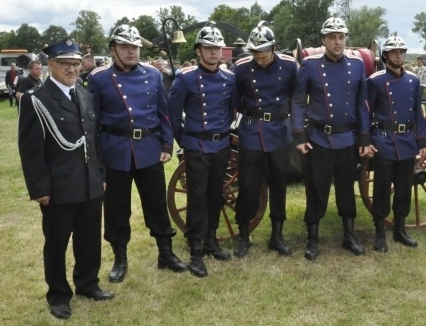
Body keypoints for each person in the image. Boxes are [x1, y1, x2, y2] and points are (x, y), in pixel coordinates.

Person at [17, 38, 112, 320]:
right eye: (66, 64)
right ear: (51, 65)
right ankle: (58, 295)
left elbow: (94, 141)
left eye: (76, 64)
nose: (72, 69)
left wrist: (101, 175)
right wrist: (39, 189)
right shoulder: (37, 100)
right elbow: (30, 150)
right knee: (57, 243)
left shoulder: (84, 95)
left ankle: (87, 283)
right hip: (58, 187)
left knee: (89, 238)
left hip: (90, 182)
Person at [87, 24, 190, 284]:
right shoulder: (99, 78)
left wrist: (166, 145)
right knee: (116, 208)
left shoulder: (153, 75)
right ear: (113, 50)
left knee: (156, 204)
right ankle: (120, 259)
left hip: (148, 150)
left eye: (134, 47)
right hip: (115, 151)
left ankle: (165, 254)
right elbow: (93, 122)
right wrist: (97, 159)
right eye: (125, 47)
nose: (131, 52)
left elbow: (162, 112)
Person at [291, 14, 371, 261]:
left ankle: (349, 236)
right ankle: (312, 238)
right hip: (319, 139)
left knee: (347, 189)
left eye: (341, 37)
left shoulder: (357, 65)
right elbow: (298, 102)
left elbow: (362, 104)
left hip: (347, 138)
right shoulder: (311, 66)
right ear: (323, 40)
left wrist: (365, 138)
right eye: (332, 37)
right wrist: (300, 135)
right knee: (317, 190)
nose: (338, 42)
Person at [167, 21, 236, 277]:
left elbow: (231, 109)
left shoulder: (230, 79)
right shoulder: (185, 79)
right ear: (198, 51)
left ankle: (211, 241)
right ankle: (195, 249)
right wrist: (184, 140)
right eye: (208, 48)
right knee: (197, 197)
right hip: (196, 144)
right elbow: (172, 116)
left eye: (217, 48)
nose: (213, 53)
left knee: (216, 194)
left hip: (221, 144)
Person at [231, 21, 298, 258]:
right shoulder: (241, 68)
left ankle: (277, 235)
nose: (259, 60)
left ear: (274, 48)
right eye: (255, 56)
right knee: (248, 185)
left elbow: (296, 97)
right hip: (251, 131)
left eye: (263, 56)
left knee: (279, 184)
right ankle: (243, 233)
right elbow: (235, 100)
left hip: (280, 131)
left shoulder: (290, 66)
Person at [366, 36, 426, 251]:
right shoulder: (375, 80)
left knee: (404, 187)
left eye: (401, 51)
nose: (399, 55)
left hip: (407, 141)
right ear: (386, 56)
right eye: (394, 52)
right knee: (382, 188)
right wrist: (367, 139)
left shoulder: (413, 80)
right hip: (384, 140)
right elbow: (366, 113)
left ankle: (400, 229)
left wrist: (421, 140)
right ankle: (380, 233)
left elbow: (418, 113)